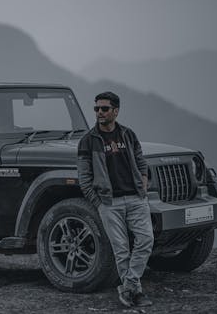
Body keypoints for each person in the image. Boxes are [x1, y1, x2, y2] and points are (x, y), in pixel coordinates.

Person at [77, 91, 154, 307]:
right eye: (96, 108)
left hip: (136, 199)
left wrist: (144, 184)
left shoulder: (128, 135)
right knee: (121, 250)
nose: (99, 112)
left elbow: (141, 162)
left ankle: (128, 287)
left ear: (116, 111)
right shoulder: (87, 141)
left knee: (146, 240)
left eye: (104, 108)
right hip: (109, 203)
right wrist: (98, 202)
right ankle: (135, 293)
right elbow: (84, 177)